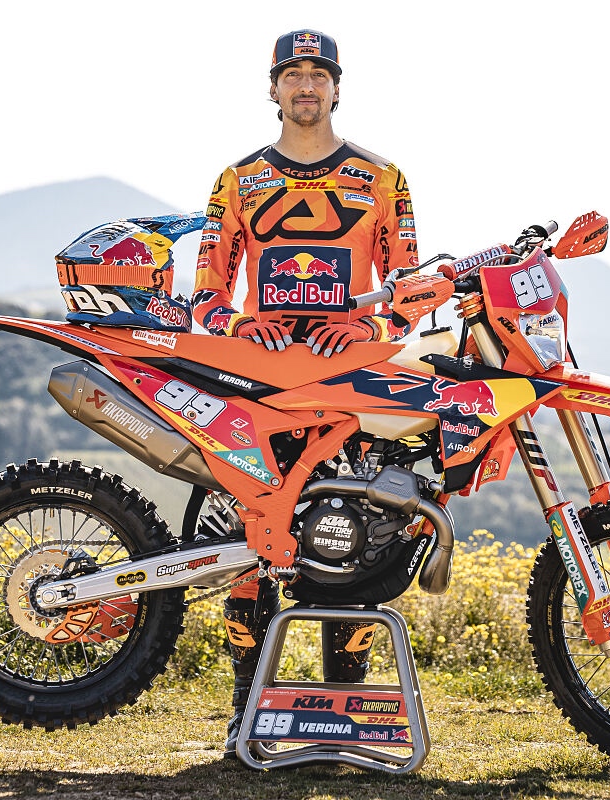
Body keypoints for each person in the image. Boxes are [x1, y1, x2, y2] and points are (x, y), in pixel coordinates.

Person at [190, 28, 421, 757]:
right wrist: (238, 324)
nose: (306, 85)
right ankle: (245, 717)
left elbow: (411, 294)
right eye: (292, 74)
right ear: (273, 89)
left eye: (319, 74)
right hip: (256, 388)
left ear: (337, 88)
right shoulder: (236, 181)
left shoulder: (383, 179)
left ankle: (342, 720)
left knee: (353, 549)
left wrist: (367, 324)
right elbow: (205, 294)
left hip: (347, 387)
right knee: (245, 548)